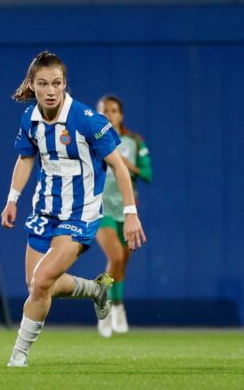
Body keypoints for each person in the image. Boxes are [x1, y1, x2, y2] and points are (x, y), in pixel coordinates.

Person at [1, 51, 147, 367]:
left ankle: (18, 357)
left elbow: (120, 168)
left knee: (40, 283)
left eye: (56, 83)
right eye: (43, 84)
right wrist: (13, 199)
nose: (51, 90)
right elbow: (26, 159)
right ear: (32, 85)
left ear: (65, 84)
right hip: (43, 212)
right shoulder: (30, 120)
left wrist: (131, 214)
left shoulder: (86, 120)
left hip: (80, 216)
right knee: (39, 285)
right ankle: (95, 290)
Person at [95, 95, 153, 338]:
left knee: (122, 263)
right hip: (101, 209)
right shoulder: (92, 139)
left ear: (121, 115)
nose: (110, 114)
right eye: (104, 110)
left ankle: (115, 304)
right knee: (115, 255)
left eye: (114, 110)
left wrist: (129, 165)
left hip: (127, 211)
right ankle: (106, 306)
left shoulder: (133, 142)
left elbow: (147, 174)